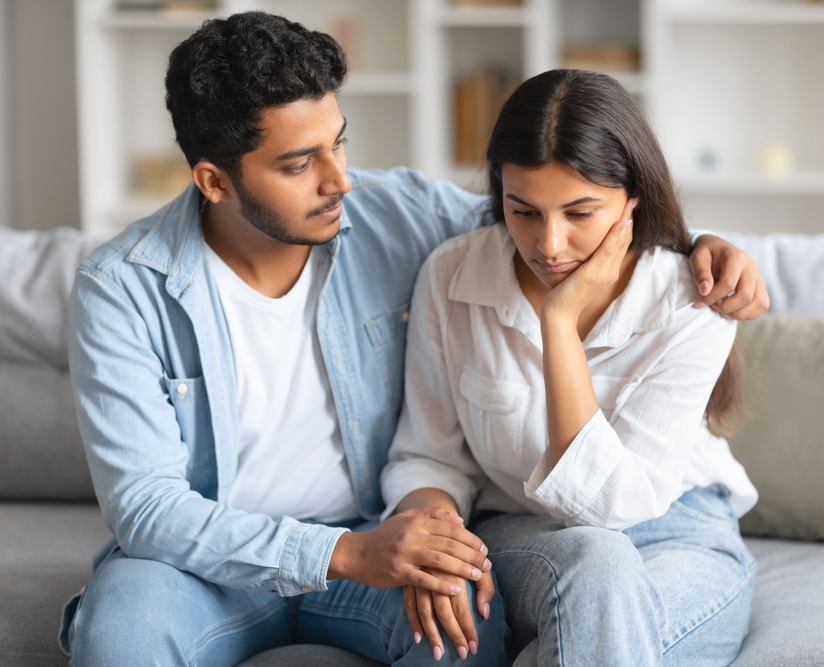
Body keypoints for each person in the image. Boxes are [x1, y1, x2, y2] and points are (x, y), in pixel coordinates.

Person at [61, 12, 768, 667]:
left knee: (462, 620)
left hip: (385, 540)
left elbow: (560, 210)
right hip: (218, 563)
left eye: (338, 142)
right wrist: (342, 551)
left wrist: (697, 247)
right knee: (119, 626)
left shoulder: (393, 212)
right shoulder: (122, 289)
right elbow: (147, 508)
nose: (340, 180)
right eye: (298, 163)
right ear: (214, 180)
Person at [382, 69, 760, 667]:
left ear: (633, 198)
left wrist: (559, 326)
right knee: (594, 595)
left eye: (580, 213)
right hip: (524, 536)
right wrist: (435, 542)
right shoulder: (451, 277)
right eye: (523, 211)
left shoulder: (693, 301)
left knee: (587, 639)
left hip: (677, 531)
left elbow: (611, 507)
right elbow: (428, 456)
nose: (549, 245)